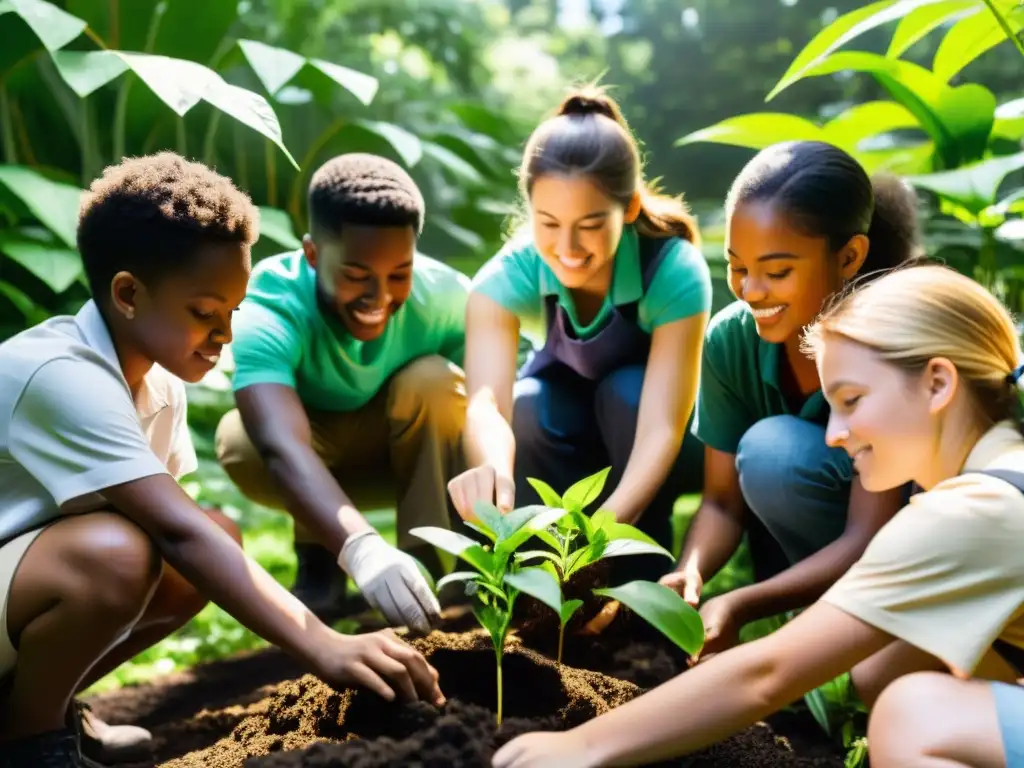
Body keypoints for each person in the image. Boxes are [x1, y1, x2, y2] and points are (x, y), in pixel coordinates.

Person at [0, 153, 444, 768]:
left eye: (233, 312)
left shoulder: (159, 387)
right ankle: (27, 740)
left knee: (212, 538)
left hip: (16, 596)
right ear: (127, 293)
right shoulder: (59, 375)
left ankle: (39, 704)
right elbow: (174, 532)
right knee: (121, 555)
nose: (225, 335)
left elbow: (192, 542)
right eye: (205, 313)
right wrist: (323, 644)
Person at [492, 263, 1024, 768]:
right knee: (885, 663)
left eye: (853, 399)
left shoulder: (970, 512)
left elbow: (767, 675)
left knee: (914, 714)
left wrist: (584, 746)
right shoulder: (1000, 472)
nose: (835, 433)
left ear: (938, 384)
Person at [658, 140, 921, 666]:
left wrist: (741, 605)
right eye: (737, 267)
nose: (751, 291)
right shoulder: (733, 339)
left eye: (777, 272)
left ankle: (843, 640)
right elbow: (720, 502)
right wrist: (692, 570)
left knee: (772, 450)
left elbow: (870, 531)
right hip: (817, 543)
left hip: (903, 553)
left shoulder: (888, 343)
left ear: (849, 257)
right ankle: (820, 638)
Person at [447, 86, 711, 584]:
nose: (566, 247)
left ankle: (642, 582)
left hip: (659, 441)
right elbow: (487, 404)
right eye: (548, 223)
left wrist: (604, 538)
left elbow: (660, 428)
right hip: (564, 434)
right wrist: (494, 472)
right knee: (529, 401)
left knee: (625, 392)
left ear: (629, 208)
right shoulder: (505, 278)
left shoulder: (672, 270)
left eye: (590, 224)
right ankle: (539, 584)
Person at [215, 153, 469, 629]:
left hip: (405, 459)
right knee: (244, 437)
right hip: (307, 456)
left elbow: (499, 407)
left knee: (436, 382)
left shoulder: (447, 298)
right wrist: (362, 549)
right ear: (312, 255)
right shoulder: (269, 299)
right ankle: (321, 560)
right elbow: (280, 445)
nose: (379, 297)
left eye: (399, 274)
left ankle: (428, 565)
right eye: (356, 275)